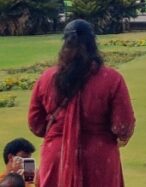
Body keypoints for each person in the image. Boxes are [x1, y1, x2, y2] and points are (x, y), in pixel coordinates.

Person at [27, 19, 135, 187]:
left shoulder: (46, 79)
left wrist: (60, 132)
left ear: (64, 44)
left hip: (57, 157)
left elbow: (36, 124)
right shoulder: (111, 79)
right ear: (93, 44)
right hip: (99, 158)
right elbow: (123, 126)